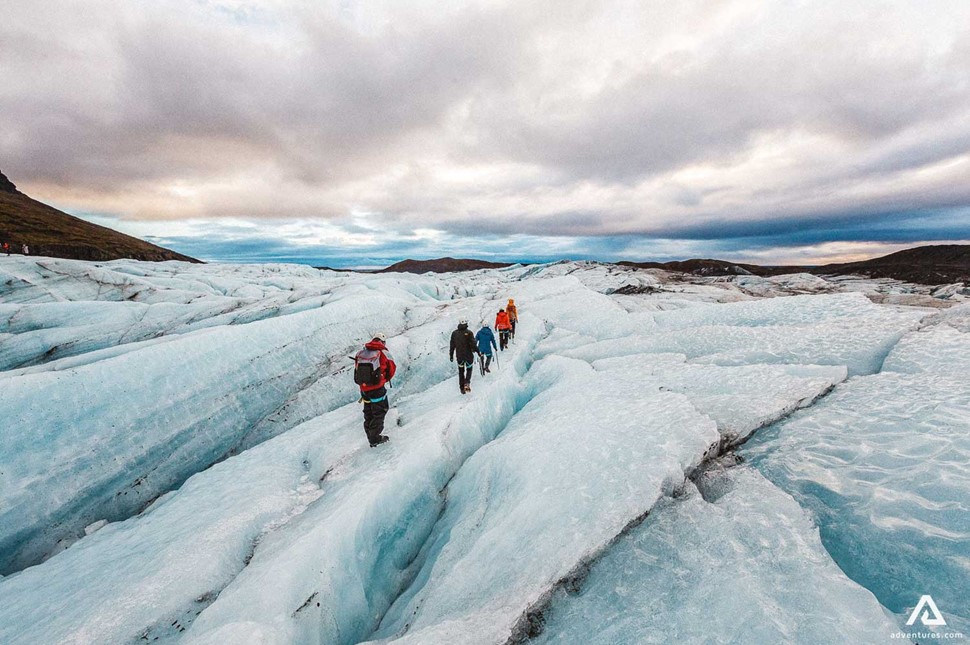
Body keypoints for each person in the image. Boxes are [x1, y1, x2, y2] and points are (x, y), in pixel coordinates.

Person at [354, 332, 396, 447]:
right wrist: (384, 380)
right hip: (377, 389)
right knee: (380, 411)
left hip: (364, 389)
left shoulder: (361, 353)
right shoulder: (384, 353)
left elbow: (357, 369)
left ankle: (370, 434)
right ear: (383, 342)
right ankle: (375, 438)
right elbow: (392, 368)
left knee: (368, 412)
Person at [449, 319, 479, 394]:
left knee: (461, 372)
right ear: (466, 323)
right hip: (468, 356)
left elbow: (452, 345)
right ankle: (467, 383)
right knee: (469, 369)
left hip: (459, 356)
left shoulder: (454, 333)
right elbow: (473, 344)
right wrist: (478, 352)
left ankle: (462, 388)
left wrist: (451, 355)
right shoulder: (469, 333)